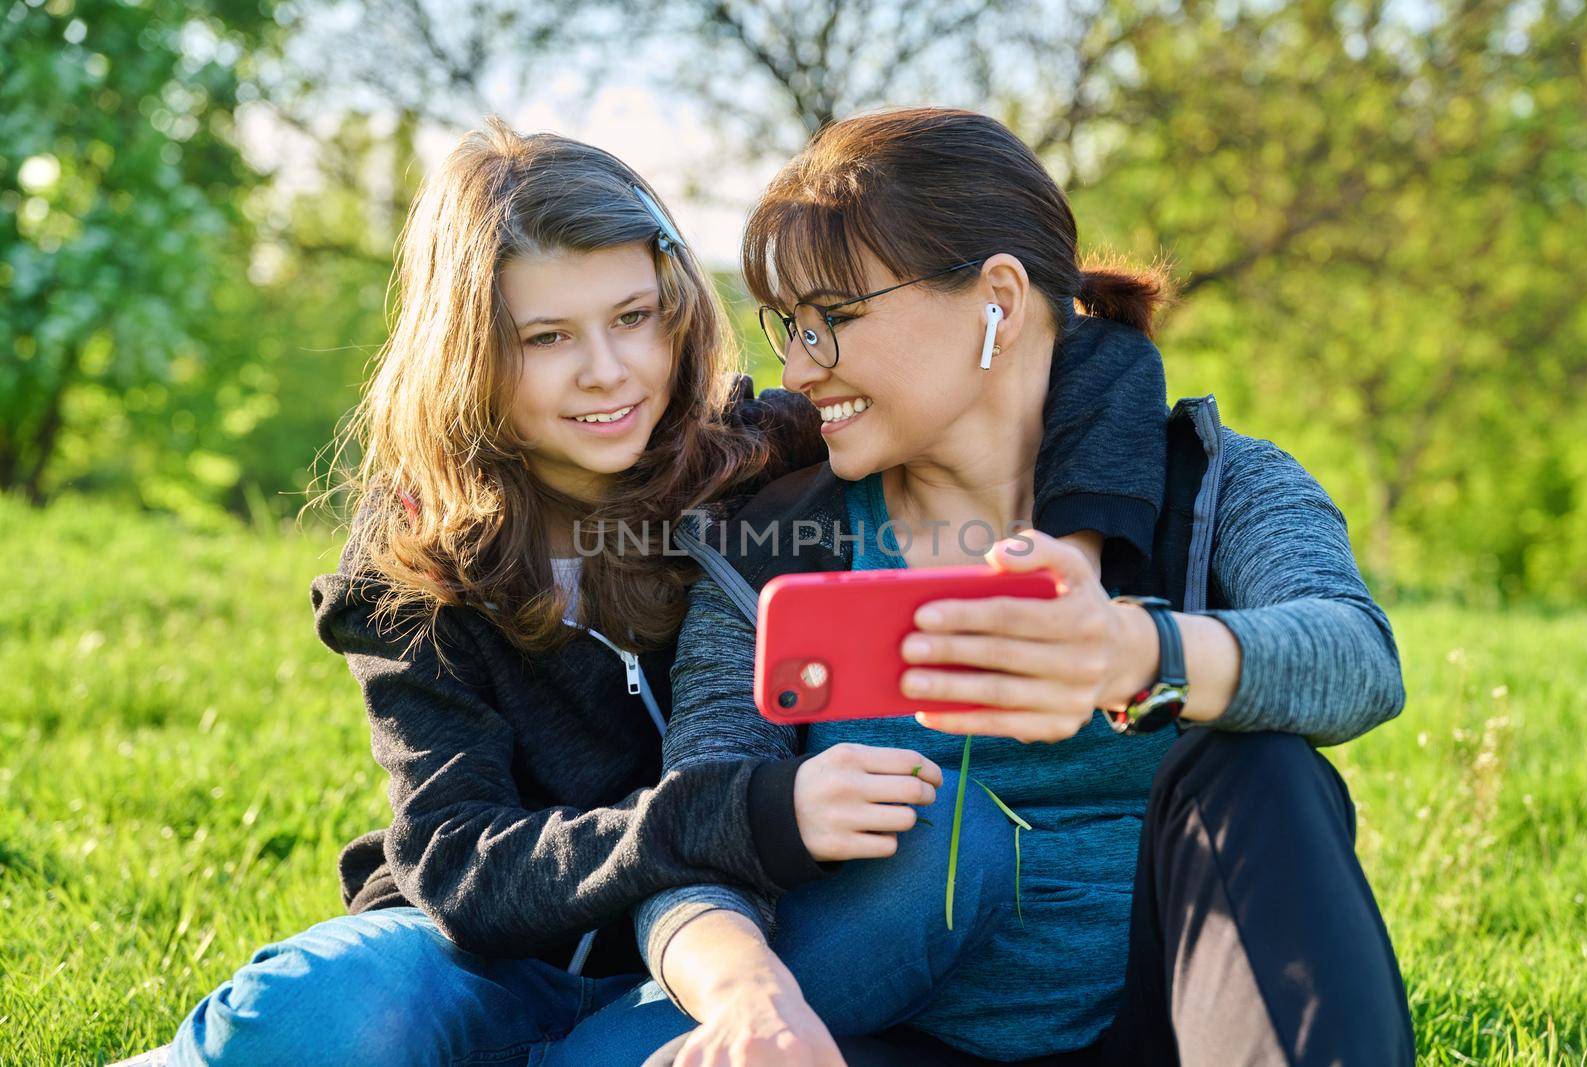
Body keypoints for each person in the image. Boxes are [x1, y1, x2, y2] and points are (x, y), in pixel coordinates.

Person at [162, 113, 1172, 1067]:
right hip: (485, 958)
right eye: (546, 336)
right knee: (319, 1012)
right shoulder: (413, 557)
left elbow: (1086, 354)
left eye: (633, 318)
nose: (607, 372)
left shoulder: (743, 447)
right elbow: (461, 862)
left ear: (676, 312)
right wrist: (740, 811)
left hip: (752, 939)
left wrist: (1075, 551)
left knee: (931, 854)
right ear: (469, 351)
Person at [549, 106, 1415, 1067]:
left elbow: (1358, 657)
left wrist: (1139, 654)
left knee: (1264, 768)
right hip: (902, 1034)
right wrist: (749, 998)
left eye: (832, 319)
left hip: (1172, 1025)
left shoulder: (1214, 485)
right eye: (788, 326)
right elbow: (698, 830)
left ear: (996, 298)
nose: (798, 368)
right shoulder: (777, 545)